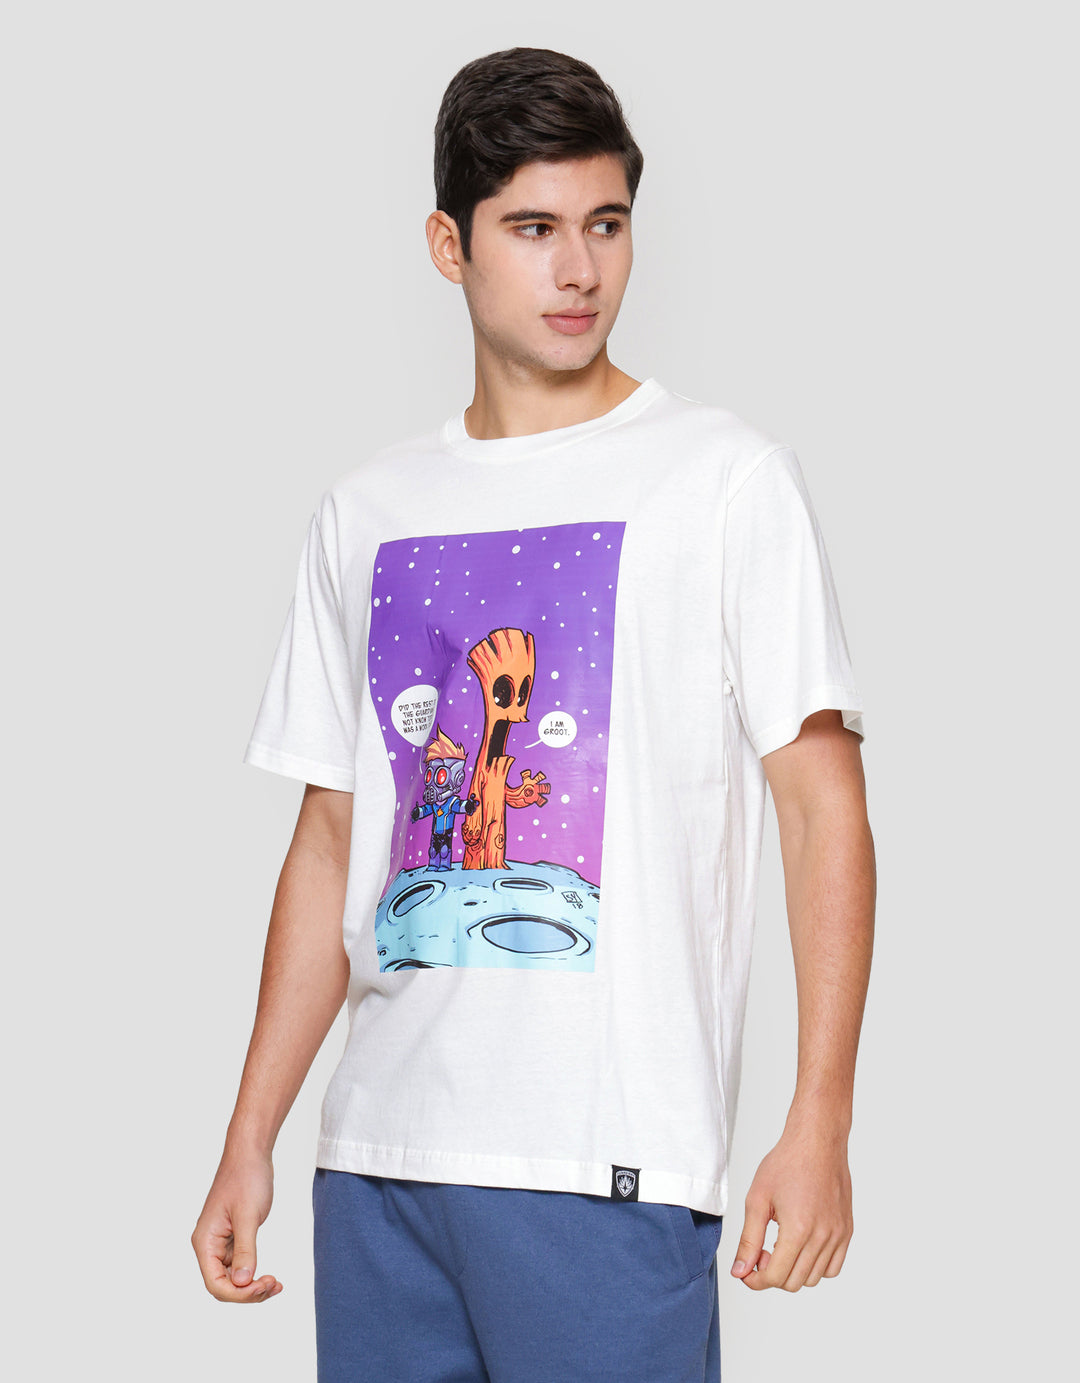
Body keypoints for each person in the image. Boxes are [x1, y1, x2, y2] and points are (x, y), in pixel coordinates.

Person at [191, 45, 876, 1382]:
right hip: (377, 1165)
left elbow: (822, 808)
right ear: (449, 246)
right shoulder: (366, 513)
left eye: (606, 226)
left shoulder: (724, 482)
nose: (579, 271)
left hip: (604, 1167)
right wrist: (250, 1133)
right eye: (534, 229)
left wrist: (822, 1117)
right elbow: (333, 840)